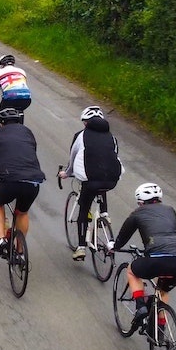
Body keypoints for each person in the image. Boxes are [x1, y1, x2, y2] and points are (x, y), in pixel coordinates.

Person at [108, 183, 176, 328]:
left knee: (132, 270)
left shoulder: (138, 213)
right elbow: (167, 230)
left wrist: (114, 247)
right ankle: (161, 328)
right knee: (162, 290)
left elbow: (124, 234)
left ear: (140, 201)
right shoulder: (170, 210)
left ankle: (140, 307)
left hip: (156, 259)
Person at [0, 108, 45, 257]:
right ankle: (19, 252)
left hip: (9, 180)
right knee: (22, 213)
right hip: (33, 180)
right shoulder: (28, 133)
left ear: (1, 123)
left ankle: (1, 239)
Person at [57, 106, 124, 260]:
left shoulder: (81, 136)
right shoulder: (112, 137)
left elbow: (73, 157)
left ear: (86, 123)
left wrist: (66, 173)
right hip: (112, 180)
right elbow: (111, 159)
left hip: (90, 180)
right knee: (102, 182)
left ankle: (81, 247)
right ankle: (104, 213)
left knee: (84, 209)